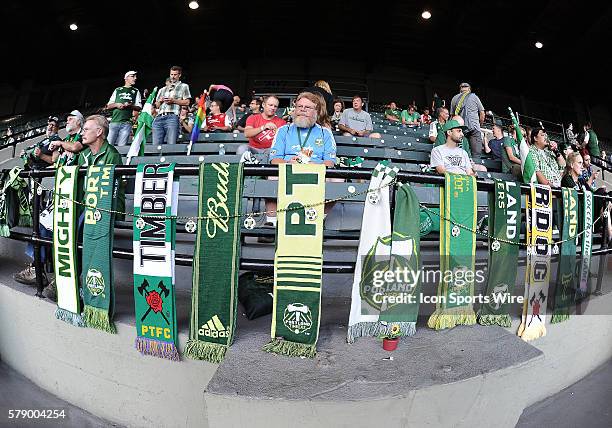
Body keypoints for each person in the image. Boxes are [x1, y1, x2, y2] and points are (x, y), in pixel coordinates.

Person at [267, 91, 337, 226]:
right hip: (288, 169)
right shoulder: (283, 130)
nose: (302, 110)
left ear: (316, 111)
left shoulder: (325, 132)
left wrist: (313, 166)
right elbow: (274, 159)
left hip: (315, 171)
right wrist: (288, 162)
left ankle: (319, 218)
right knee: (271, 175)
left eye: (308, 107)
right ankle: (271, 222)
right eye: (300, 107)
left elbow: (330, 162)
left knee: (338, 179)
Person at [153, 65, 192, 145]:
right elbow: (156, 105)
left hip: (172, 117)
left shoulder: (184, 86)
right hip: (159, 118)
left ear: (179, 75)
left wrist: (173, 100)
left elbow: (187, 102)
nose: (173, 77)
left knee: (171, 145)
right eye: (171, 74)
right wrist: (160, 101)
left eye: (175, 75)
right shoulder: (162, 89)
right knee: (156, 147)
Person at [105, 70, 142, 146]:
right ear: (126, 78)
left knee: (121, 148)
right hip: (114, 121)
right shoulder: (118, 90)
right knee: (108, 146)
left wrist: (130, 106)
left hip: (127, 123)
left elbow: (139, 107)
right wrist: (117, 105)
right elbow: (108, 106)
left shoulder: (136, 91)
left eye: (135, 76)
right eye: (132, 76)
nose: (135, 78)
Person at [450, 82, 485, 160]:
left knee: (461, 152)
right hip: (474, 128)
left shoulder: (454, 98)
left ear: (460, 89)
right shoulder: (474, 97)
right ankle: (476, 168)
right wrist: (480, 124)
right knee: (476, 155)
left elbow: (452, 116)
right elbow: (482, 113)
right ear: (469, 89)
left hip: (460, 129)